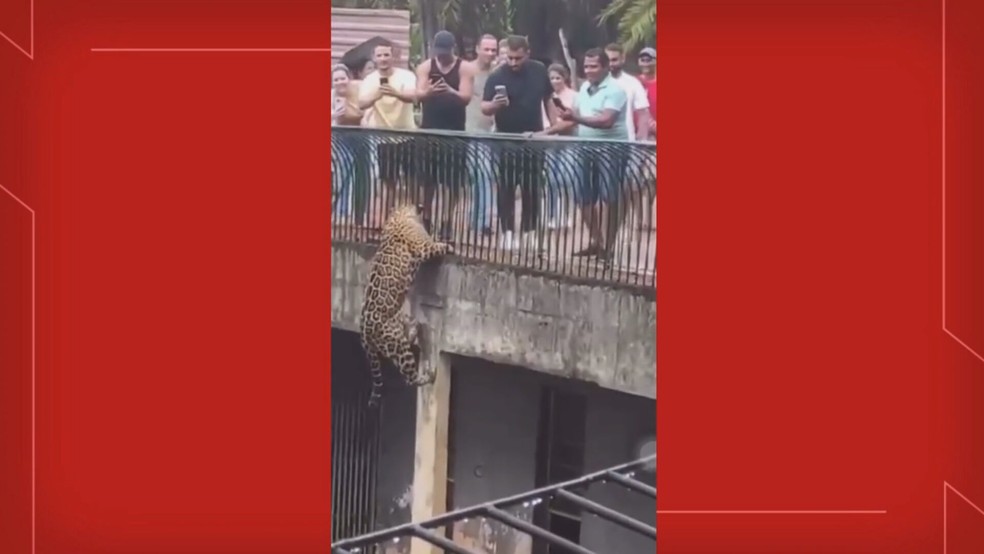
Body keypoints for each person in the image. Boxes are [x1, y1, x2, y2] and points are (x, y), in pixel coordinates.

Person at [481, 35, 555, 252]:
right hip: (506, 140)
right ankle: (507, 232)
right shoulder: (497, 75)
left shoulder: (539, 70)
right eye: (510, 58)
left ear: (527, 54)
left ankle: (530, 232)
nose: (513, 62)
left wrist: (553, 127)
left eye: (518, 58)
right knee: (506, 188)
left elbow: (548, 99)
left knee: (532, 187)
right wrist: (495, 105)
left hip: (533, 138)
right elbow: (484, 107)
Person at [558, 48, 629, 262]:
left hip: (611, 149)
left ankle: (609, 245)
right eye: (586, 66)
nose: (588, 71)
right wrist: (545, 131)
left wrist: (577, 118)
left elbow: (606, 121)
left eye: (594, 66)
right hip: (584, 147)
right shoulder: (585, 88)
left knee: (610, 198)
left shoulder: (615, 90)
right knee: (582, 196)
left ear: (606, 67)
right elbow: (573, 118)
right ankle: (598, 242)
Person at [415, 31, 475, 240]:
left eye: (445, 52)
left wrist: (450, 90)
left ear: (452, 49)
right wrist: (429, 92)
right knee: (427, 180)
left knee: (452, 181)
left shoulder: (464, 68)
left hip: (454, 130)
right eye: (438, 52)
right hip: (429, 128)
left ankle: (447, 221)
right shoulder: (425, 66)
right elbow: (418, 94)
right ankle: (427, 218)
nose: (441, 56)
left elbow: (466, 97)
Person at [358, 39, 418, 224]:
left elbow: (414, 97)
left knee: (412, 182)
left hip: (408, 135)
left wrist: (395, 93)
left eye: (386, 55)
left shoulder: (406, 75)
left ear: (393, 56)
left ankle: (412, 221)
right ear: (374, 59)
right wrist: (378, 94)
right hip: (384, 138)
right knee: (388, 182)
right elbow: (361, 104)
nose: (383, 59)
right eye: (380, 55)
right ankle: (385, 222)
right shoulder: (369, 80)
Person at [466, 34, 499, 238]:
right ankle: (481, 220)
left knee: (485, 175)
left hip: (491, 130)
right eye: (486, 49)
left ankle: (481, 220)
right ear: (477, 48)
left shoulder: (497, 73)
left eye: (493, 50)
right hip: (469, 129)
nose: (490, 54)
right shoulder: (467, 70)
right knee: (479, 176)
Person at [538, 63, 578, 230]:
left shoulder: (574, 96)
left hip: (569, 140)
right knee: (551, 180)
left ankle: (567, 214)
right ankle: (551, 215)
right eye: (551, 78)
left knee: (566, 179)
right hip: (551, 141)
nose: (554, 81)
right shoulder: (545, 96)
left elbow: (575, 118)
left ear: (565, 78)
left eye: (557, 78)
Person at [331, 65, 361, 224]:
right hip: (337, 139)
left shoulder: (358, 91)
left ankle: (348, 211)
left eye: (342, 78)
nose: (340, 82)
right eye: (336, 79)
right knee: (341, 173)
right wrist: (334, 115)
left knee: (354, 174)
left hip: (359, 136)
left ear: (348, 78)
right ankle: (340, 211)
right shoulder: (331, 96)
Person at [604, 43, 651, 142]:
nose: (611, 64)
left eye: (614, 60)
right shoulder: (596, 82)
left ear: (623, 59)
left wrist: (641, 141)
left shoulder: (633, 83)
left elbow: (643, 113)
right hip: (597, 141)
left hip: (625, 143)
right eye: (608, 60)